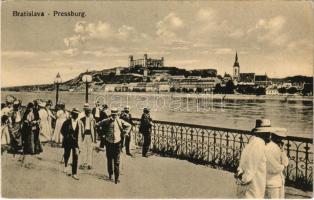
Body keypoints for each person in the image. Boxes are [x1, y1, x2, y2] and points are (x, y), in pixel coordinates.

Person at [235, 119, 271, 199]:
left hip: (250, 186)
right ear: (263, 133)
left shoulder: (254, 141)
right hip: (253, 187)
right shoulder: (258, 144)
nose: (269, 135)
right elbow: (251, 166)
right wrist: (244, 179)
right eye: (268, 132)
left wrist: (240, 177)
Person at [96, 108, 131, 184]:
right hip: (109, 143)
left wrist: (125, 132)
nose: (114, 116)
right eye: (113, 114)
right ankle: (110, 175)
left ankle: (116, 178)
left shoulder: (120, 121)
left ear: (117, 114)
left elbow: (129, 125)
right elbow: (97, 125)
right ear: (111, 114)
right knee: (109, 160)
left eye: (115, 114)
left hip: (117, 143)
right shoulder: (106, 120)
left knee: (117, 161)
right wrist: (102, 135)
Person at [265, 127, 289, 199]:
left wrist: (282, 151)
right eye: (280, 138)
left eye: (282, 138)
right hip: (271, 183)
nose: (281, 140)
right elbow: (273, 168)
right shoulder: (268, 148)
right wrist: (282, 167)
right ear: (274, 137)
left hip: (279, 181)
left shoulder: (279, 148)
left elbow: (286, 162)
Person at [61, 108, 84, 180]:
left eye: (77, 114)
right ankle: (65, 166)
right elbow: (62, 131)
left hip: (76, 143)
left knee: (75, 156)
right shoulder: (66, 122)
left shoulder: (80, 123)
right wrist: (67, 135)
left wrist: (79, 140)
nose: (76, 115)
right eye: (74, 114)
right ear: (72, 114)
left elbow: (82, 133)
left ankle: (74, 173)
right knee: (67, 154)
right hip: (68, 141)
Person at [80, 104, 96, 170]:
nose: (89, 113)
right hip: (84, 135)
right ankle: (84, 163)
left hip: (90, 135)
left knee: (90, 150)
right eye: (87, 112)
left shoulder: (93, 120)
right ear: (85, 113)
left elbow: (94, 129)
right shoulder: (81, 119)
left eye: (89, 112)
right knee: (84, 149)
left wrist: (94, 138)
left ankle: (90, 164)